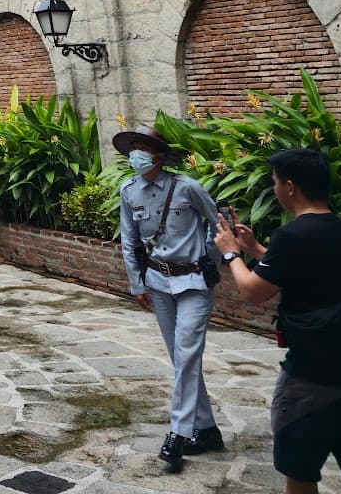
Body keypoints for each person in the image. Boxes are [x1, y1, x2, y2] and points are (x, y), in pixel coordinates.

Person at [215, 148, 341, 494]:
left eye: (274, 183)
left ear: (289, 187)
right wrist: (257, 250)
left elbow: (254, 291)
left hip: (311, 377)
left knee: (300, 472)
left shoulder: (293, 235)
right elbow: (303, 267)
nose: (274, 190)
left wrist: (231, 253)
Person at [115, 124, 223, 474]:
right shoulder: (128, 190)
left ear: (159, 156)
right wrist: (137, 284)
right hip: (158, 282)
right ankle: (207, 430)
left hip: (193, 282)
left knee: (188, 351)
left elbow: (216, 224)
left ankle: (178, 433)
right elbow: (129, 241)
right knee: (182, 357)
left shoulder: (187, 187)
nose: (136, 155)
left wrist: (210, 260)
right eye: (132, 147)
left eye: (142, 148)